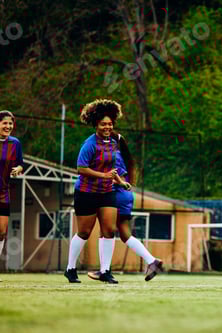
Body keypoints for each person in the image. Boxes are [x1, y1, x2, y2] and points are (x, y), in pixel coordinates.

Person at [87, 131, 164, 282]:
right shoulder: (121, 155)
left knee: (106, 231)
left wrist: (96, 179)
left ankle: (104, 271)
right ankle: (152, 261)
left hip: (117, 195)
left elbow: (119, 179)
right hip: (125, 196)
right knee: (124, 234)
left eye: (106, 139)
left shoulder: (114, 156)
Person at [64, 99, 123, 284]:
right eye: (103, 124)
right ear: (96, 124)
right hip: (86, 192)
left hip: (107, 191)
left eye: (110, 124)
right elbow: (81, 168)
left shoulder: (113, 143)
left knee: (109, 230)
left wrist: (120, 181)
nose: (107, 126)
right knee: (84, 231)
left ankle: (105, 271)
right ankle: (70, 269)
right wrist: (103, 176)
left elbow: (112, 168)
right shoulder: (89, 144)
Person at [0, 111, 23, 282]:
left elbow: (20, 163)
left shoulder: (15, 143)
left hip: (3, 192)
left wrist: (18, 169)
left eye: (10, 123)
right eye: (4, 123)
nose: (8, 126)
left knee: (1, 232)